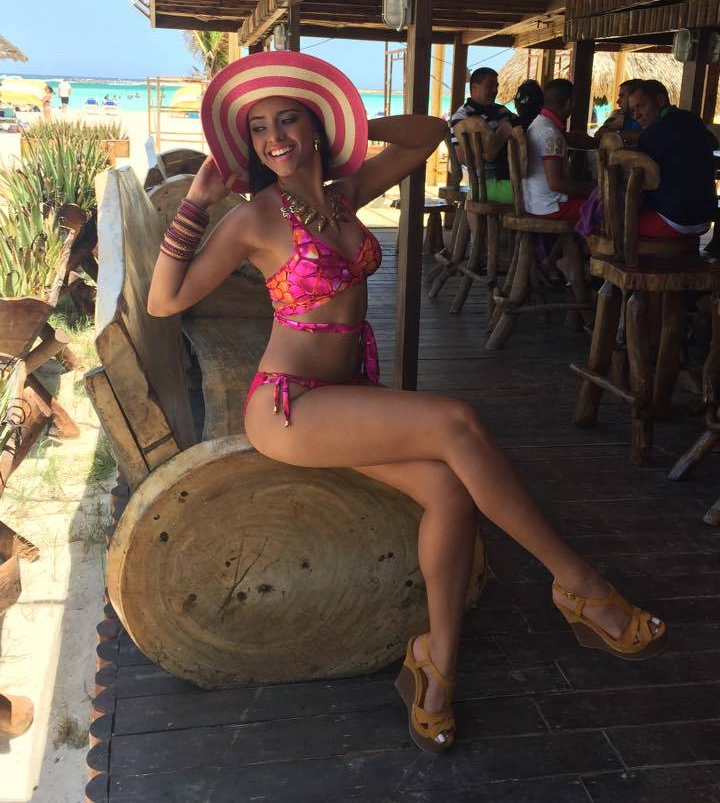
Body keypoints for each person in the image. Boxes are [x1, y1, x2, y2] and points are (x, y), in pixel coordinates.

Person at [147, 53, 666, 756]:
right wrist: (196, 202)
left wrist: (350, 130)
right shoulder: (256, 217)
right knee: (457, 422)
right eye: (260, 128)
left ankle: (435, 665)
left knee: (449, 491)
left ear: (316, 128)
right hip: (291, 407)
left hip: (347, 397)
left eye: (289, 120)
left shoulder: (344, 194)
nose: (274, 138)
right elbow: (165, 300)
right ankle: (577, 583)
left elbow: (427, 135)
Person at [627, 79, 717, 238]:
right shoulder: (692, 119)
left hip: (676, 221)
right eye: (633, 110)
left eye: (641, 106)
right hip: (705, 219)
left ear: (661, 100)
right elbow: (713, 142)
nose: (636, 115)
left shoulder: (655, 131)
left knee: (612, 220)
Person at [524, 78, 594, 222]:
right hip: (550, 207)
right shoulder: (550, 133)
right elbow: (556, 183)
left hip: (534, 203)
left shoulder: (538, 124)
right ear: (568, 103)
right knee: (606, 207)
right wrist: (590, 190)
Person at [450, 67, 518, 204]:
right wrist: (501, 137)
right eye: (489, 86)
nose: (495, 90)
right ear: (474, 87)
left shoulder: (502, 111)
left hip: (513, 175)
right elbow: (464, 159)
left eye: (496, 86)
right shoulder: (462, 117)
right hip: (486, 181)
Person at [595, 78, 643, 144]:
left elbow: (646, 136)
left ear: (634, 96)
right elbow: (599, 134)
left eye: (622, 96)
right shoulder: (620, 117)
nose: (618, 101)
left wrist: (614, 132)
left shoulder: (648, 119)